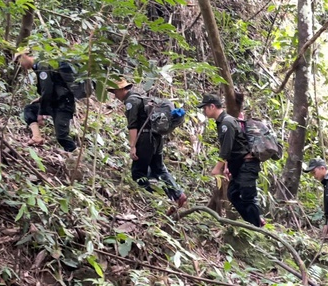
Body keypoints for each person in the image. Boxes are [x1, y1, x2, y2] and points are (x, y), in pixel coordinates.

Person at [107, 79, 187, 212]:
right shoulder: (142, 98)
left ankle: (153, 202)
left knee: (138, 172)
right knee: (158, 168)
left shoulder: (131, 101)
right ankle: (178, 195)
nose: (115, 95)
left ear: (122, 89)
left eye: (115, 92)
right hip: (157, 137)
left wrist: (133, 147)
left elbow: (133, 126)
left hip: (145, 139)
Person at [198, 93, 265, 228]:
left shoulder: (226, 123)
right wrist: (228, 165)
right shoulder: (223, 122)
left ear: (212, 106)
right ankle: (253, 222)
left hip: (247, 164)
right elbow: (233, 145)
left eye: (204, 108)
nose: (203, 111)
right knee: (233, 194)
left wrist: (217, 168)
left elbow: (226, 149)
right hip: (239, 165)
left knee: (247, 196)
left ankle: (257, 227)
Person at [17, 53, 77, 152]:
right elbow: (53, 87)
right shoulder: (38, 67)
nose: (19, 65)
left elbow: (47, 91)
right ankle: (36, 137)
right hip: (54, 103)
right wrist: (40, 100)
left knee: (62, 137)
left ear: (25, 56)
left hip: (63, 105)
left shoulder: (43, 66)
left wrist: (41, 112)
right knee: (30, 109)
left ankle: (76, 156)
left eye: (18, 60)